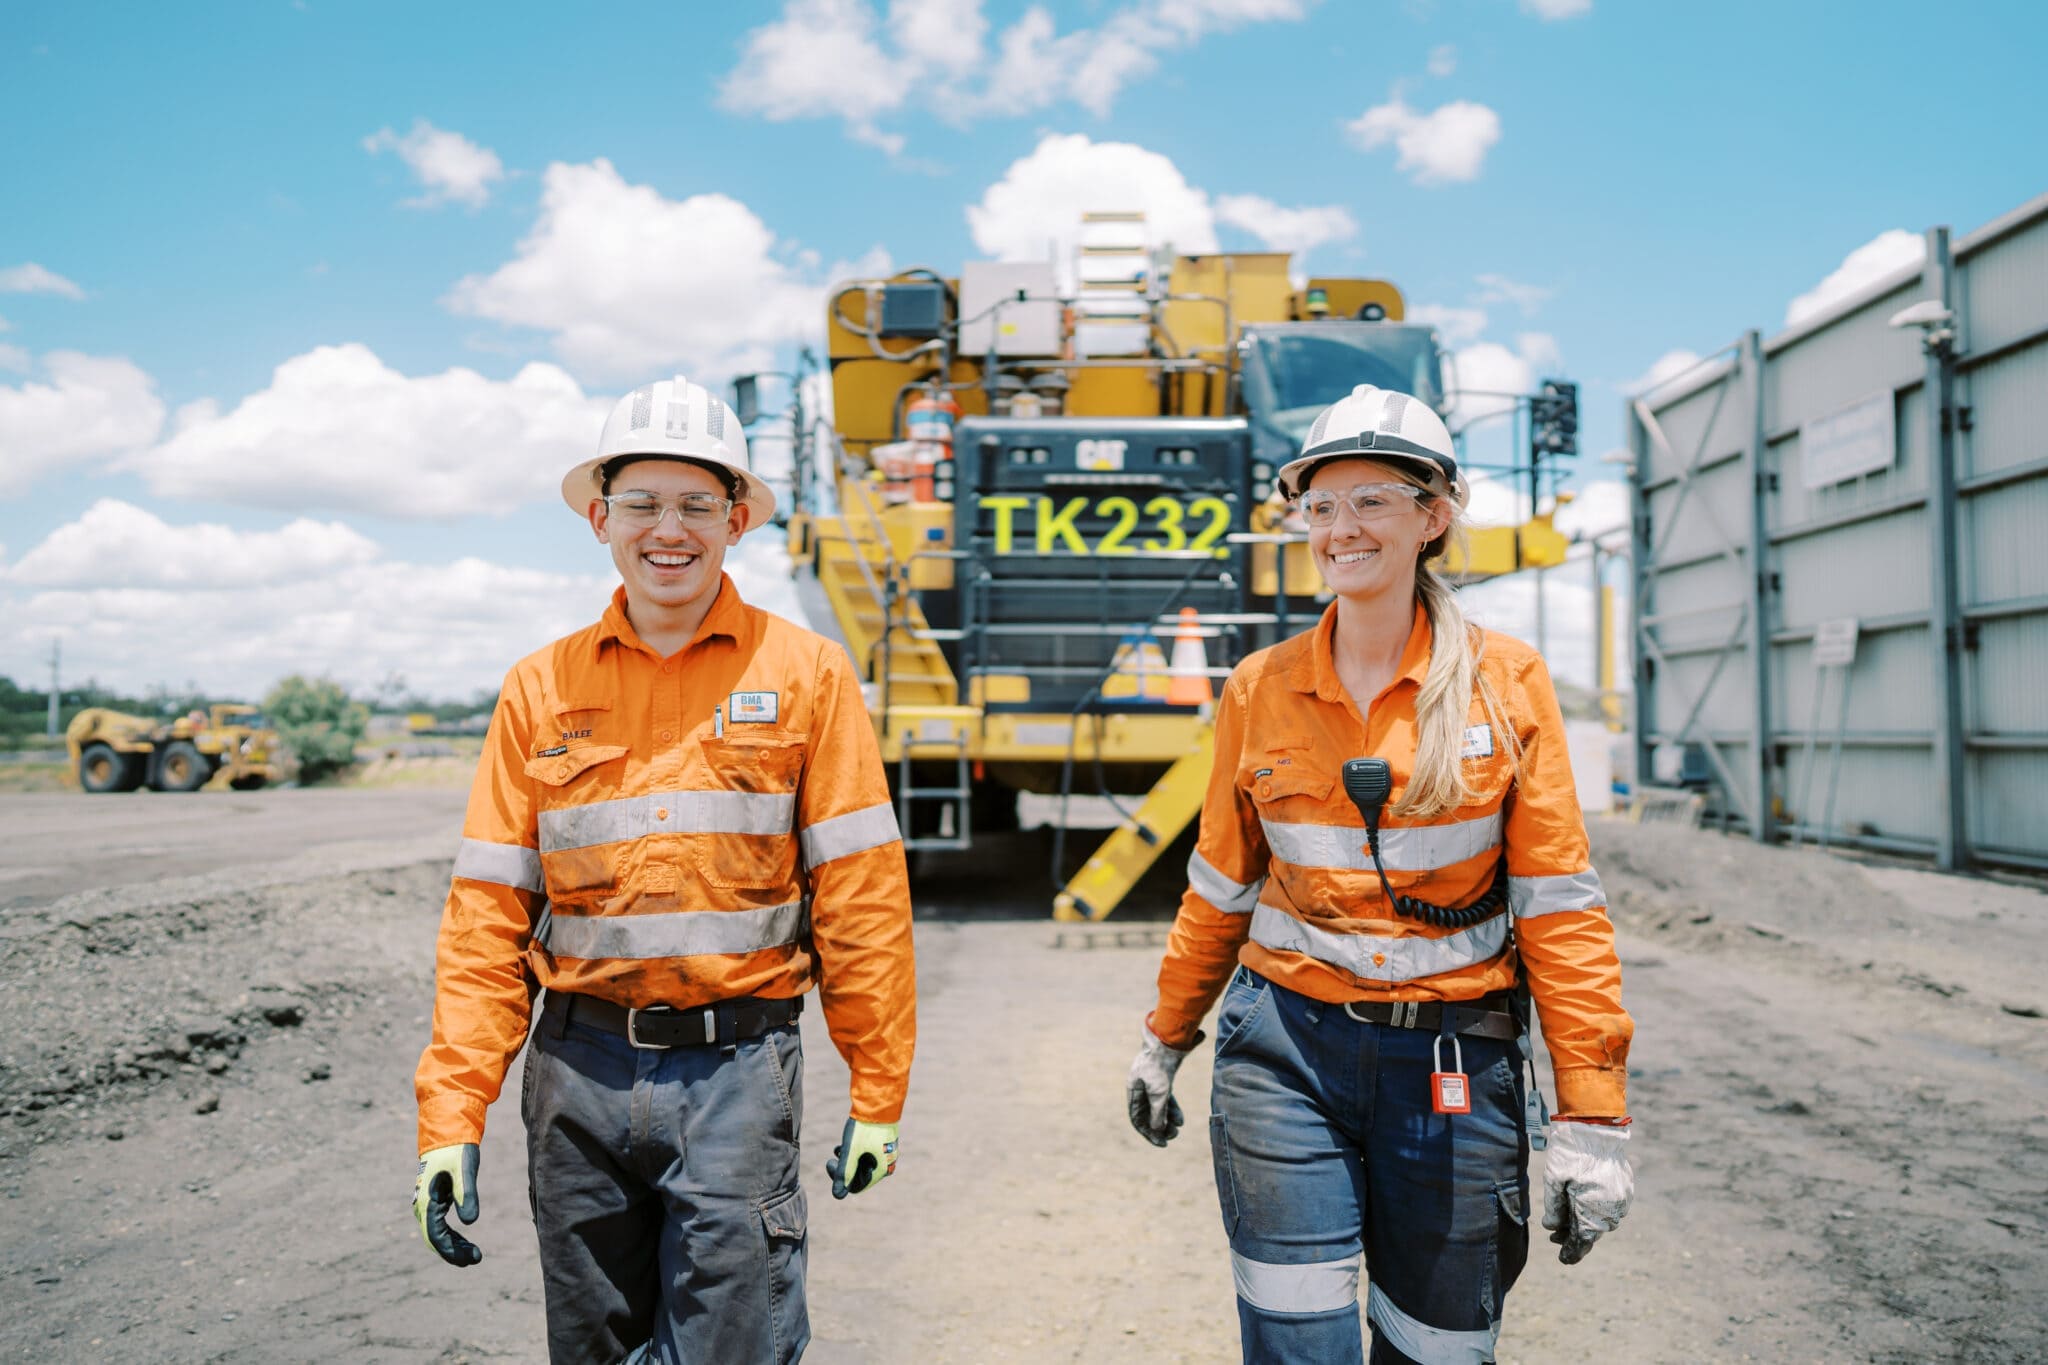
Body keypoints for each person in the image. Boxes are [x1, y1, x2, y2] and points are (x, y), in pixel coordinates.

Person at [411, 375, 917, 1364]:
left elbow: (861, 899)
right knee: (592, 1346)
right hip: (575, 1075)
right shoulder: (539, 686)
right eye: (640, 504)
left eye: (694, 504)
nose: (667, 530)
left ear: (736, 520)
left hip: (736, 1072)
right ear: (600, 518)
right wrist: (451, 1113)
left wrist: (878, 1089)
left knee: (732, 1344)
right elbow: (487, 914)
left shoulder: (806, 675)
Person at [1127, 384, 1635, 1364]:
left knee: (1438, 1349)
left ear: (1431, 516)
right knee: (1294, 1340)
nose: (1338, 528)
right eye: (1318, 506)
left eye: (1368, 501)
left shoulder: (1506, 683)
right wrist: (1164, 1037)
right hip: (1283, 1054)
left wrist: (1590, 1116)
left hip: (1451, 1061)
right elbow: (1220, 890)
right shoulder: (1257, 687)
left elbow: (1559, 910)